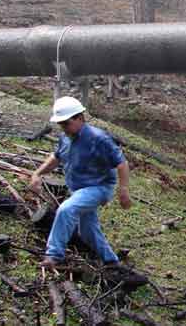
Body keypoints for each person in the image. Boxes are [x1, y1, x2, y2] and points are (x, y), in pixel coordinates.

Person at [30, 96, 132, 268]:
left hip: (99, 187)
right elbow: (56, 158)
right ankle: (112, 261)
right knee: (87, 231)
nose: (63, 127)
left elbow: (122, 163)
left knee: (66, 209)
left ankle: (53, 255)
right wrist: (37, 173)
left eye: (66, 123)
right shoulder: (65, 138)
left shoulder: (99, 139)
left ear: (79, 117)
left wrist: (123, 191)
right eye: (61, 124)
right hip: (78, 190)